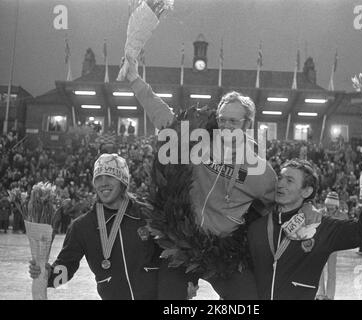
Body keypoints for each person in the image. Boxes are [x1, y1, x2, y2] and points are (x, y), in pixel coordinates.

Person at [124, 56, 277, 299]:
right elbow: (165, 118)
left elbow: (280, 203)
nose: (226, 125)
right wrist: (135, 80)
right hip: (182, 244)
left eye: (233, 121)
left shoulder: (261, 171)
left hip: (225, 252)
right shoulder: (197, 141)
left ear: (248, 123)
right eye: (223, 118)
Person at [248, 159, 362, 300]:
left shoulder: (321, 227)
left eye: (289, 180)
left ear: (306, 191)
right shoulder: (256, 225)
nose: (280, 183)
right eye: (280, 178)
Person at [29, 153, 161, 300]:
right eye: (98, 178)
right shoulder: (82, 227)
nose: (103, 183)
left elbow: (170, 257)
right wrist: (48, 275)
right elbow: (66, 268)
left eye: (110, 176)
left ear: (123, 181)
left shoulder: (148, 214)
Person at [316, 191, 348, 300]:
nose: (329, 207)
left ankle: (329, 295)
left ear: (336, 204)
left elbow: (346, 231)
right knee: (319, 270)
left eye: (332, 204)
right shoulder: (319, 213)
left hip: (333, 246)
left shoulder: (342, 216)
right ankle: (320, 294)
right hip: (320, 245)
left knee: (331, 271)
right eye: (328, 204)